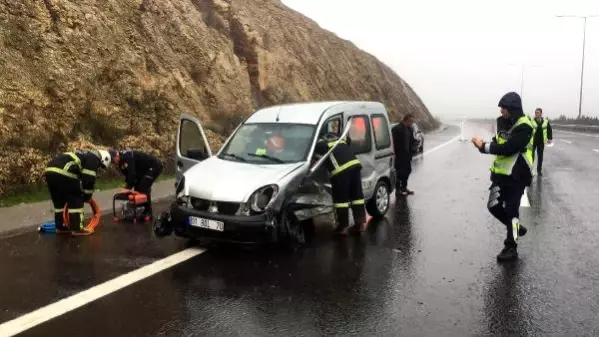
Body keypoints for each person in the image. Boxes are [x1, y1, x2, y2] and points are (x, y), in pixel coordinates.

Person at [471, 92, 534, 262]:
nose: (501, 111)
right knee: (493, 206)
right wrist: (488, 143)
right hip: (500, 175)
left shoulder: (525, 126)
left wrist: (483, 147)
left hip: (518, 175)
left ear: (513, 109)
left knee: (512, 210)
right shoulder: (502, 122)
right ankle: (515, 227)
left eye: (504, 108)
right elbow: (499, 141)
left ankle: (511, 247)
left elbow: (509, 148)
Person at [44, 150, 112, 235]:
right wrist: (87, 196)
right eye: (101, 166)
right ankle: (77, 229)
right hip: (64, 171)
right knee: (76, 198)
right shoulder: (94, 158)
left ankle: (60, 227)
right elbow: (88, 179)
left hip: (49, 172)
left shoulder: (84, 155)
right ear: (103, 159)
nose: (99, 168)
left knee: (59, 203)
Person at [313, 132, 367, 235]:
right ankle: (360, 224)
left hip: (341, 170)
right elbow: (348, 140)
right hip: (355, 165)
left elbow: (314, 153)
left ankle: (343, 227)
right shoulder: (339, 138)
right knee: (357, 196)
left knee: (340, 200)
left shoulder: (320, 144)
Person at [109, 150, 163, 221]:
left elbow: (132, 175)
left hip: (154, 165)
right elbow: (129, 176)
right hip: (143, 170)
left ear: (117, 155)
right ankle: (140, 209)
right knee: (137, 188)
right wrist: (127, 187)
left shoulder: (127, 157)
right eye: (112, 162)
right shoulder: (120, 163)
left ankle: (148, 213)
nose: (113, 162)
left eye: (113, 160)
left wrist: (127, 188)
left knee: (144, 186)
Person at [392, 114, 415, 196]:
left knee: (408, 170)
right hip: (399, 155)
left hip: (407, 155)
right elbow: (392, 142)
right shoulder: (397, 128)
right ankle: (398, 189)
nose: (412, 123)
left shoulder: (410, 129)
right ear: (407, 120)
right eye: (411, 121)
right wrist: (393, 153)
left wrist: (412, 150)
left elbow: (411, 140)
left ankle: (404, 187)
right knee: (399, 173)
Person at [530, 108, 553, 176]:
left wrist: (550, 138)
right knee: (531, 157)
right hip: (532, 141)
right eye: (535, 113)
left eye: (538, 113)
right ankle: (531, 170)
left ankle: (539, 170)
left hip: (541, 142)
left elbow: (549, 130)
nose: (536, 114)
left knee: (540, 156)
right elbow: (527, 129)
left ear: (541, 114)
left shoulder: (545, 121)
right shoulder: (531, 120)